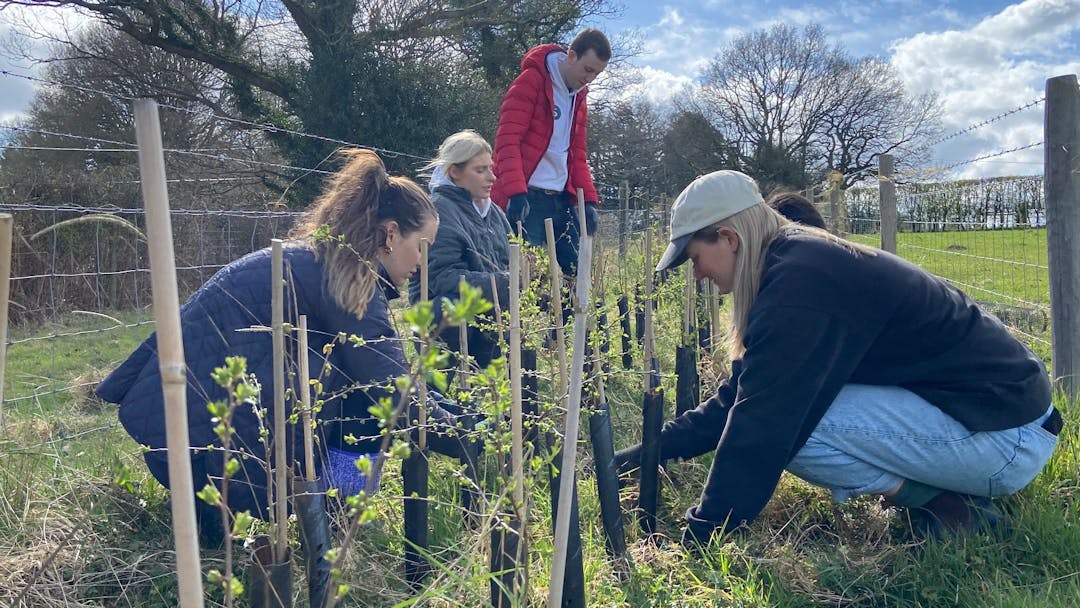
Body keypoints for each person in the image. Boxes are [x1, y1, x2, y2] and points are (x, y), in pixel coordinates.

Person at [616, 169, 1060, 544]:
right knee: (786, 413)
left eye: (695, 258)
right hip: (997, 421)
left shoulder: (800, 286)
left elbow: (761, 420)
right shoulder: (799, 264)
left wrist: (704, 534)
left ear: (728, 238)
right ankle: (942, 495)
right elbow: (739, 395)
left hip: (1007, 439)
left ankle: (946, 505)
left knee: (794, 424)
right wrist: (645, 453)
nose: (698, 275)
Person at [97, 150, 467, 540]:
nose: (423, 263)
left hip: (188, 416)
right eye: (422, 246)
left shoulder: (329, 260)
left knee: (354, 386)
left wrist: (452, 416)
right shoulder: (347, 277)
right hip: (201, 428)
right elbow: (391, 389)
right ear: (391, 234)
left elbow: (389, 375)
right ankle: (330, 528)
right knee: (363, 396)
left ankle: (328, 523)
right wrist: (468, 438)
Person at [491, 28, 610, 276]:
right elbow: (507, 139)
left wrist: (587, 200)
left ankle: (571, 317)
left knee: (576, 274)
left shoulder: (579, 98)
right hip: (529, 198)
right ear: (571, 55)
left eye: (596, 74)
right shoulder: (531, 80)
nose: (590, 78)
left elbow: (576, 153)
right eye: (588, 69)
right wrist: (516, 193)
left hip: (561, 199)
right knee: (524, 277)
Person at [411, 130, 510, 371]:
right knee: (450, 308)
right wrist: (505, 283)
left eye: (491, 168)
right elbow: (443, 278)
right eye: (480, 170)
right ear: (454, 172)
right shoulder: (439, 211)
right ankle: (439, 387)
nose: (492, 177)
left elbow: (511, 258)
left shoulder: (494, 212)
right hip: (442, 318)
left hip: (487, 311)